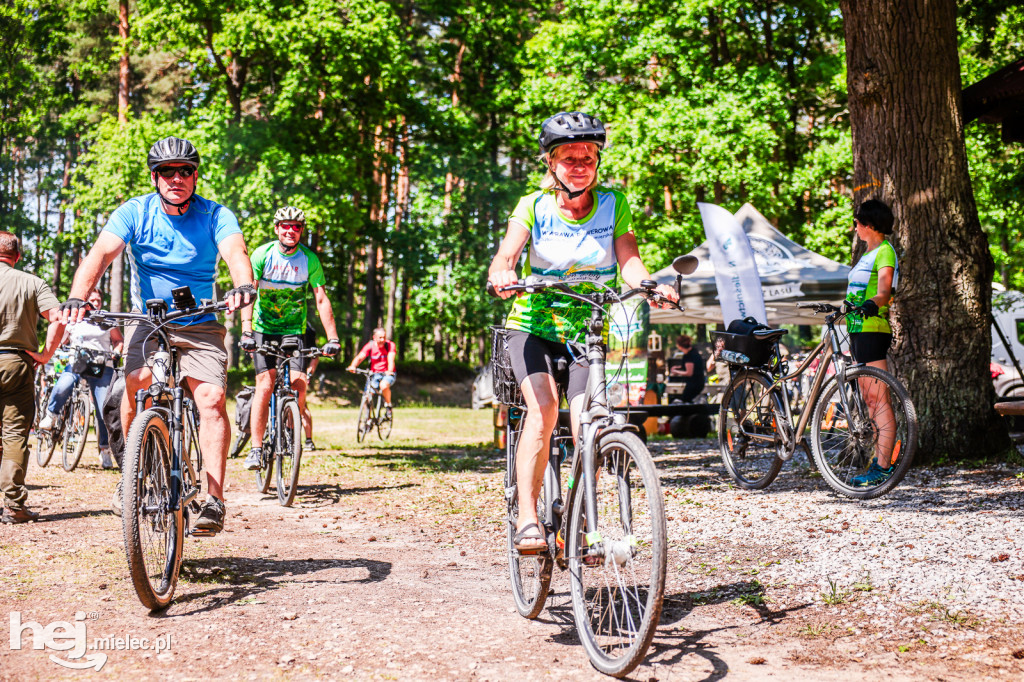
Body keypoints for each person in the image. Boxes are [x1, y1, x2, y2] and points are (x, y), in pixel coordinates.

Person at [487, 111, 678, 552]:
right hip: (532, 327)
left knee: (588, 423)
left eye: (587, 157)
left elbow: (628, 260)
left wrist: (648, 286)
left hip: (586, 331)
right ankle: (529, 520)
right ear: (550, 164)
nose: (579, 164)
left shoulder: (614, 204)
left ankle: (582, 517)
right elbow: (506, 256)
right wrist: (502, 274)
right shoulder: (532, 205)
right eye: (569, 157)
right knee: (545, 412)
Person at [62, 136, 256, 533]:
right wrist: (77, 296)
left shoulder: (216, 214)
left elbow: (237, 253)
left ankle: (214, 500)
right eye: (166, 172)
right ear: (155, 177)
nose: (176, 178)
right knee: (134, 385)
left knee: (211, 397)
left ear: (195, 176)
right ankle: (131, 475)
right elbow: (100, 255)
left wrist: (242, 286)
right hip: (148, 321)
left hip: (200, 320)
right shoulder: (135, 211)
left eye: (184, 171)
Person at [241, 206, 340, 470]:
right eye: (285, 226)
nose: (290, 231)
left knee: (298, 384)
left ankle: (289, 428)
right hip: (263, 328)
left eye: (296, 227)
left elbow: (320, 297)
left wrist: (333, 338)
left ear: (301, 231)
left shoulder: (310, 259)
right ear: (276, 229)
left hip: (295, 330)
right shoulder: (263, 254)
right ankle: (256, 448)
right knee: (265, 384)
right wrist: (246, 330)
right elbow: (250, 292)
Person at [0, 231, 64, 523]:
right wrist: (46, 354)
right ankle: (14, 505)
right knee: (14, 433)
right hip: (17, 361)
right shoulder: (31, 282)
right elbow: (58, 318)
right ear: (18, 256)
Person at [845, 199, 900, 487]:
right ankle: (878, 463)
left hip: (872, 329)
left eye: (857, 222)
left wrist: (872, 304)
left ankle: (882, 466)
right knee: (869, 401)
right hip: (857, 331)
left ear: (868, 225)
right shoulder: (865, 254)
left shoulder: (884, 252)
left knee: (879, 402)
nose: (855, 227)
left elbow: (884, 291)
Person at [38, 288, 123, 468]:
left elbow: (118, 341)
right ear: (85, 300)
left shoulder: (107, 318)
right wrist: (60, 345)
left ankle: (105, 449)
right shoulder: (75, 317)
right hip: (77, 362)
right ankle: (51, 415)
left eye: (98, 300)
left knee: (103, 409)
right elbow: (63, 338)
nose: (95, 303)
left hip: (102, 365)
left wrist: (116, 353)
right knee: (64, 384)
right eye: (92, 299)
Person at [347, 328, 397, 413]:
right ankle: (368, 419)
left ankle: (388, 405)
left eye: (384, 337)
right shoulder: (370, 346)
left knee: (384, 385)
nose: (382, 340)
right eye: (380, 337)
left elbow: (391, 359)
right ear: (374, 337)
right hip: (374, 374)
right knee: (367, 396)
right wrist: (353, 366)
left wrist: (389, 370)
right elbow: (360, 357)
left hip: (387, 373)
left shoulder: (390, 345)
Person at [668, 334, 706, 402]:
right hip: (697, 382)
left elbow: (689, 373)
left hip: (695, 384)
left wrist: (676, 372)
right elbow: (689, 365)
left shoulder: (689, 356)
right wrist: (677, 367)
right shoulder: (693, 352)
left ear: (679, 346)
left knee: (686, 400)